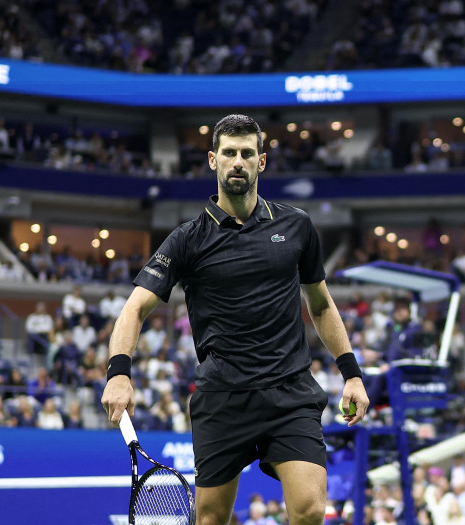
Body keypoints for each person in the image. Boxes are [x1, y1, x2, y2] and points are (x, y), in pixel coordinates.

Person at [101, 115, 368, 525]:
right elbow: (134, 307)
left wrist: (351, 372)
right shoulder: (187, 239)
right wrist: (119, 373)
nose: (238, 161)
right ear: (213, 160)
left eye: (247, 153)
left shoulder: (296, 226)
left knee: (311, 509)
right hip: (222, 398)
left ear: (262, 161)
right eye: (229, 153)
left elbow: (322, 305)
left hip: (289, 391)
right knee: (210, 519)